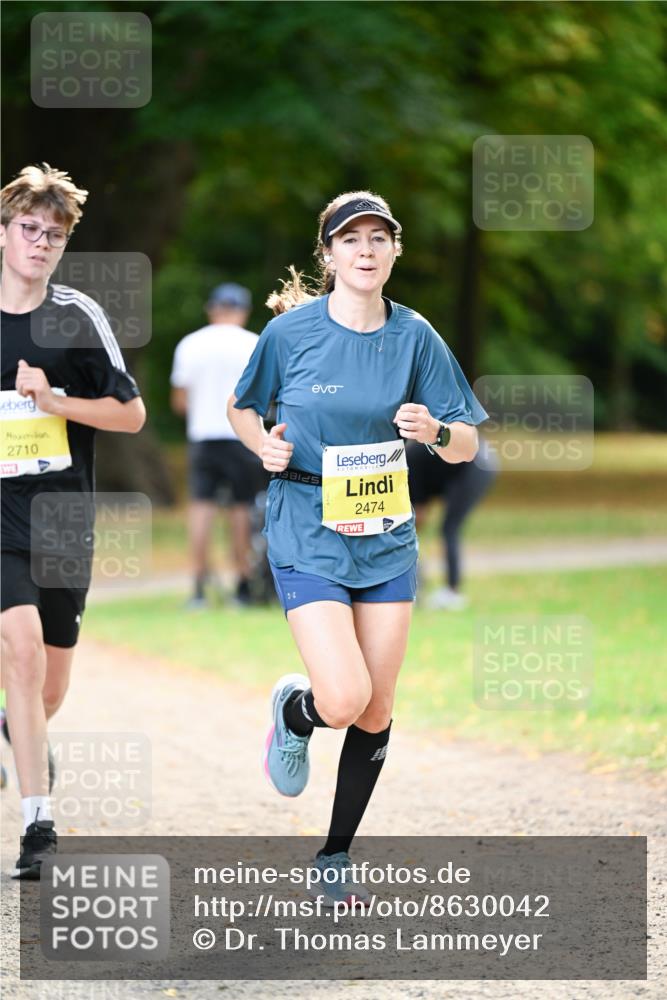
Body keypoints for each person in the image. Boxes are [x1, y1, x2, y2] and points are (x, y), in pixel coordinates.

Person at [228, 191, 488, 905]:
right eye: (350, 239)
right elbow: (242, 405)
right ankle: (297, 712)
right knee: (343, 698)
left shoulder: (416, 337)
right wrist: (263, 448)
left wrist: (433, 430)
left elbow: (467, 443)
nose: (365, 249)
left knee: (376, 707)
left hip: (385, 536)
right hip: (304, 524)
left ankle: (334, 854)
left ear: (395, 250)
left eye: (379, 237)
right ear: (328, 255)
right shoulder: (291, 334)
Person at [0, 163, 146, 878]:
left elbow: (132, 413)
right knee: (19, 655)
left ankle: (13, 730)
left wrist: (56, 402)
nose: (39, 243)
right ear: (3, 232)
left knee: (49, 687)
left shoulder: (76, 317)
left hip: (61, 520)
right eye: (28, 229)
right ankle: (38, 828)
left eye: (53, 235)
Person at [170, 283, 268, 608]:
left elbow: (180, 401)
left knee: (201, 508)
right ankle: (241, 583)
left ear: (212, 308)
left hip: (203, 435)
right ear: (242, 310)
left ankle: (198, 587)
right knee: (242, 508)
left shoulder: (190, 344)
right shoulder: (253, 344)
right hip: (242, 435)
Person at [407, 436, 499, 609]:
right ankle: (431, 587)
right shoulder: (416, 457)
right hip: (482, 459)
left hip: (475, 466)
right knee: (447, 529)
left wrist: (409, 542)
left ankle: (452, 593)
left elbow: (418, 514)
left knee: (449, 528)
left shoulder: (411, 462)